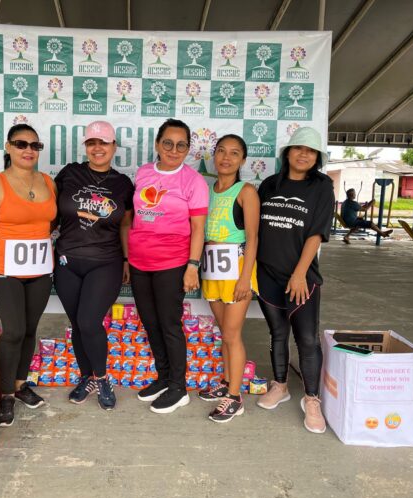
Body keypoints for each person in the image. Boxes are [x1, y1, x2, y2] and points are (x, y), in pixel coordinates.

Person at [0, 124, 57, 427]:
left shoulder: (48, 181)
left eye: (35, 145)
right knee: (13, 332)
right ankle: (5, 394)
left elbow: (52, 223)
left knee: (31, 329)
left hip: (40, 271)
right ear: (8, 147)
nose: (28, 150)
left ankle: (21, 384)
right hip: (5, 271)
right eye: (21, 144)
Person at [254, 126, 334, 434]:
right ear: (287, 153)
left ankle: (312, 399)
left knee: (308, 339)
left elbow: (316, 233)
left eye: (311, 151)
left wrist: (300, 273)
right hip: (266, 274)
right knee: (277, 333)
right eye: (299, 148)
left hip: (301, 277)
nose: (304, 154)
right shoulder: (269, 184)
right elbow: (255, 227)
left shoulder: (322, 186)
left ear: (316, 158)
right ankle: (281, 385)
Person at [129, 118, 209, 414]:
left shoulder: (193, 181)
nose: (174, 150)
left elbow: (198, 228)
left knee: (169, 324)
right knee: (150, 322)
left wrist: (192, 265)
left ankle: (178, 386)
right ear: (156, 145)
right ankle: (163, 377)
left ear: (188, 148)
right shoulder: (143, 173)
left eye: (181, 145)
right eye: (168, 143)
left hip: (173, 262)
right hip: (140, 261)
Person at [53, 121, 134, 410]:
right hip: (66, 261)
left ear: (114, 147)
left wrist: (126, 258)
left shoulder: (123, 184)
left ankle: (102, 378)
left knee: (89, 321)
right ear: (86, 146)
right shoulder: (70, 173)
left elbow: (125, 224)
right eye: (91, 143)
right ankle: (86, 377)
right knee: (77, 325)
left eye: (104, 143)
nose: (97, 148)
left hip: (106, 262)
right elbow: (48, 210)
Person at [197, 134, 259, 423]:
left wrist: (245, 278)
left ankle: (234, 397)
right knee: (224, 330)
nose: (226, 157)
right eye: (221, 151)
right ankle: (226, 380)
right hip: (212, 268)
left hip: (238, 269)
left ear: (243, 160)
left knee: (232, 334)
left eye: (234, 153)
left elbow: (253, 237)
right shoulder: (207, 190)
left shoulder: (246, 191)